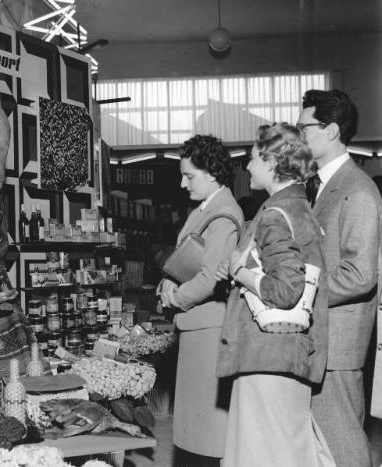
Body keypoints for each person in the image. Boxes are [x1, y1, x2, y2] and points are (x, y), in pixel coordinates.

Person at [216, 123, 332, 466]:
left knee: (261, 455)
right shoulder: (300, 208)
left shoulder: (274, 215)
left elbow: (285, 289)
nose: (247, 166)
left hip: (267, 356)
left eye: (252, 158)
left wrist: (240, 272)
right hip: (289, 355)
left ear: (271, 161)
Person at [299, 89, 382, 467]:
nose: (299, 137)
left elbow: (360, 275)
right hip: (323, 338)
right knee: (324, 442)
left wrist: (299, 292)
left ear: (330, 130)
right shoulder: (323, 187)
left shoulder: (358, 191)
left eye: (304, 128)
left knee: (343, 441)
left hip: (340, 344)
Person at [157, 134, 244, 465]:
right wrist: (166, 282)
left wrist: (175, 296)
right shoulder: (204, 209)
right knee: (194, 429)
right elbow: (185, 258)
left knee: (207, 432)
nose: (182, 183)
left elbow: (210, 278)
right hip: (196, 326)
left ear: (212, 173)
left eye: (189, 175)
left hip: (209, 330)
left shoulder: (223, 216)